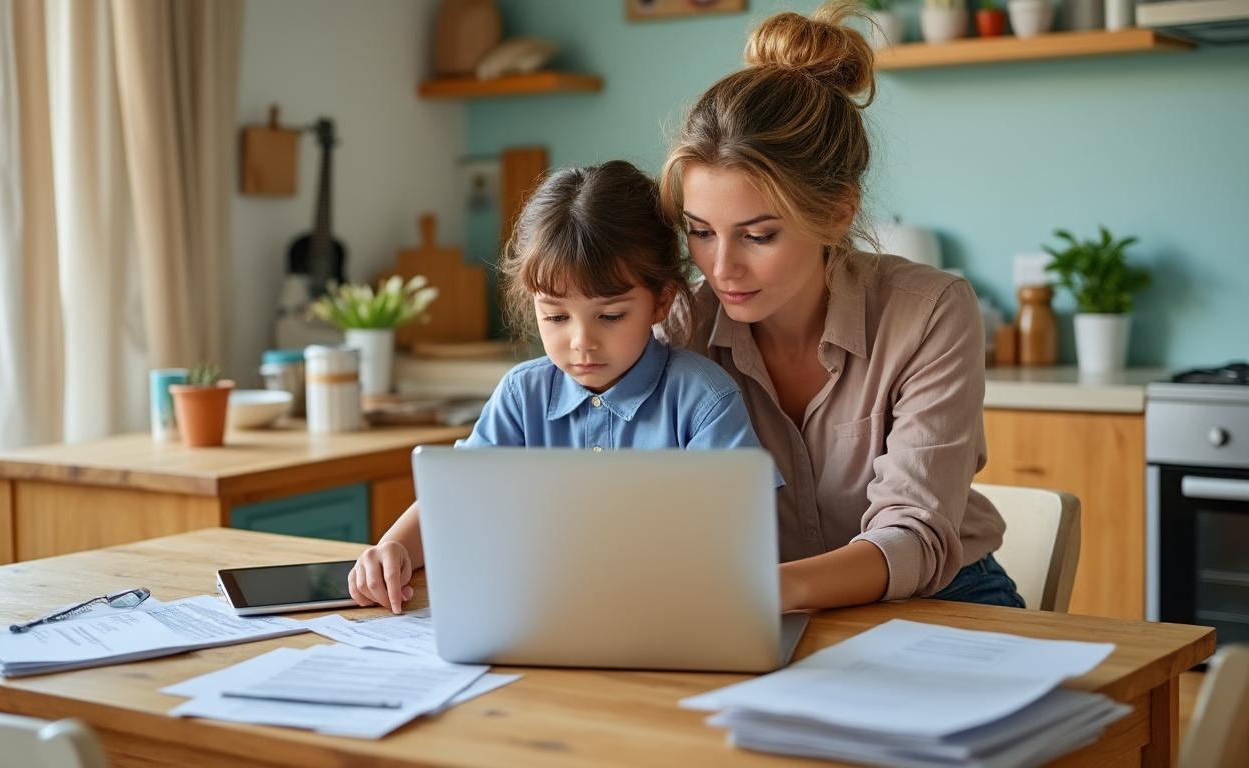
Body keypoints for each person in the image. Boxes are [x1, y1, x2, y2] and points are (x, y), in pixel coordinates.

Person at [658, 1, 1023, 611]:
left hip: (940, 595)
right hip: (756, 605)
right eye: (700, 231)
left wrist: (763, 592)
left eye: (758, 235)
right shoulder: (678, 327)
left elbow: (914, 534)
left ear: (835, 213)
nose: (721, 268)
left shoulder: (929, 313)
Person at [349, 159, 775, 614]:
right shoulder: (521, 396)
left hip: (671, 618)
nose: (581, 342)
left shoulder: (704, 401)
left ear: (661, 302)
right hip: (539, 617)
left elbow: (740, 541)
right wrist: (394, 547)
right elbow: (456, 500)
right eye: (555, 316)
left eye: (610, 316)